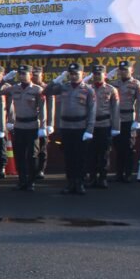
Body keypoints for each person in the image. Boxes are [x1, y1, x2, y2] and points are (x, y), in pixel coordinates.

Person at [44, 62, 96, 195]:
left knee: (80, 157)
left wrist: (89, 130)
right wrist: (57, 79)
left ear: (82, 74)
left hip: (80, 127)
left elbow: (92, 111)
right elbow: (46, 91)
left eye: (76, 74)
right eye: (71, 74)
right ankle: (70, 182)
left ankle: (80, 183)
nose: (73, 76)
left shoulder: (88, 90)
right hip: (66, 127)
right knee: (69, 157)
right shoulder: (63, 87)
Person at [0, 65, 46, 191]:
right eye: (20, 74)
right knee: (19, 154)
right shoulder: (14, 88)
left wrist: (43, 126)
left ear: (30, 75)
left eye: (24, 73)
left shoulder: (37, 90)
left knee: (32, 155)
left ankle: (31, 181)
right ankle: (22, 180)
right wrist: (4, 80)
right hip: (19, 126)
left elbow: (42, 109)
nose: (22, 76)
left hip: (32, 126)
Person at [87, 64, 120, 188]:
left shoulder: (111, 90)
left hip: (105, 125)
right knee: (91, 153)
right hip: (91, 126)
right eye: (95, 74)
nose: (97, 76)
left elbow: (115, 110)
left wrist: (116, 127)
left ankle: (103, 177)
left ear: (105, 75)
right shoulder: (88, 89)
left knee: (104, 153)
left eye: (99, 74)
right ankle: (92, 177)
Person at [113, 60, 140, 182]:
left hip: (129, 119)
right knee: (118, 146)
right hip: (117, 119)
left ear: (131, 70)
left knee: (129, 147)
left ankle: (128, 173)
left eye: (126, 69)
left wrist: (138, 120)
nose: (123, 72)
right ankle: (119, 173)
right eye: (121, 70)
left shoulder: (137, 84)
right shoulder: (115, 84)